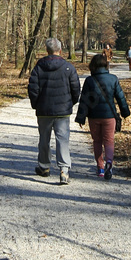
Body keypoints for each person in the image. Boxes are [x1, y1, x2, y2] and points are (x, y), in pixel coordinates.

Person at [28, 37, 81, 185]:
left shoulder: (39, 66)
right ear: (61, 50)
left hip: (44, 110)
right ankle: (64, 170)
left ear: (47, 50)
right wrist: (70, 103)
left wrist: (36, 104)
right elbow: (76, 88)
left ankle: (44, 166)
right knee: (62, 139)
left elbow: (33, 89)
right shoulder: (68, 67)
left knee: (44, 139)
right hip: (62, 111)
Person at [75, 53, 130, 180]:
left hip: (93, 116)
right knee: (109, 141)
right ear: (106, 65)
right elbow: (120, 97)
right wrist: (125, 112)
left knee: (97, 141)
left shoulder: (89, 80)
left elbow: (84, 100)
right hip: (109, 116)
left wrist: (81, 117)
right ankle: (109, 163)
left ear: (92, 66)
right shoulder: (113, 79)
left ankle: (100, 167)